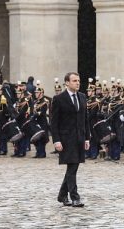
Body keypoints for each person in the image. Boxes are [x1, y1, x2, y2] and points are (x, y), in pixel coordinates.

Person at [51, 72, 90, 207]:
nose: (77, 83)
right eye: (74, 81)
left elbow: (85, 120)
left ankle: (62, 195)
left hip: (79, 138)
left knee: (73, 168)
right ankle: (75, 197)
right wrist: (56, 140)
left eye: (78, 80)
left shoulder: (82, 97)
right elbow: (54, 122)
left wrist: (87, 138)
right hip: (66, 139)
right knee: (72, 167)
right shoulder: (59, 99)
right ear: (67, 83)